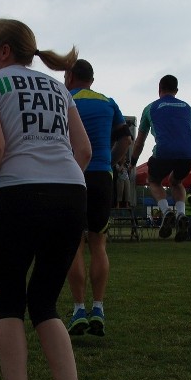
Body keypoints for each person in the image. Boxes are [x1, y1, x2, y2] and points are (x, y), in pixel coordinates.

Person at [0, 18, 93, 380]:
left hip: (19, 196)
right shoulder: (60, 88)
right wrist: (58, 185)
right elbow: (84, 151)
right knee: (45, 304)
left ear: (4, 51)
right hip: (71, 194)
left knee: (10, 304)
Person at [64, 59, 132, 338]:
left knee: (73, 245)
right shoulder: (108, 102)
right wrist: (110, 163)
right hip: (102, 176)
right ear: (92, 79)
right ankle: (99, 307)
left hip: (72, 175)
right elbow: (126, 140)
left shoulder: (64, 98)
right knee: (98, 243)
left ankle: (79, 308)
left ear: (69, 77)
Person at [129, 75, 191, 242]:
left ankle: (166, 211)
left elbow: (139, 141)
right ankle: (181, 214)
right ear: (176, 91)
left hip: (164, 152)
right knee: (176, 182)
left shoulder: (150, 108)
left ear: (159, 89)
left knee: (153, 180)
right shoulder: (188, 108)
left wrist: (132, 162)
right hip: (188, 153)